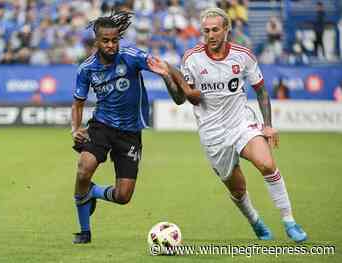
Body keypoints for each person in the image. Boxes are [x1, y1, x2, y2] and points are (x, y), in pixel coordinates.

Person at [160, 7, 307, 242]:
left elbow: (261, 91)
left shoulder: (243, 55)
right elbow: (181, 98)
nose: (210, 35)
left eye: (215, 30)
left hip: (241, 122)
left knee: (266, 164)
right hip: (212, 133)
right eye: (206, 30)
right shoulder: (192, 58)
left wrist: (267, 125)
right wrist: (168, 77)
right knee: (237, 189)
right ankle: (255, 221)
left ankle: (290, 221)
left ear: (226, 29)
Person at [71, 10, 177, 244]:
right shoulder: (86, 69)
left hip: (130, 133)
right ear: (96, 41)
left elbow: (157, 64)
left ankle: (93, 192)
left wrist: (164, 72)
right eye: (105, 41)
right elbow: (78, 103)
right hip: (102, 126)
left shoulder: (131, 56)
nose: (111, 45)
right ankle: (84, 231)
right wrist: (76, 128)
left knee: (123, 196)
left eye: (114, 40)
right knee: (83, 169)